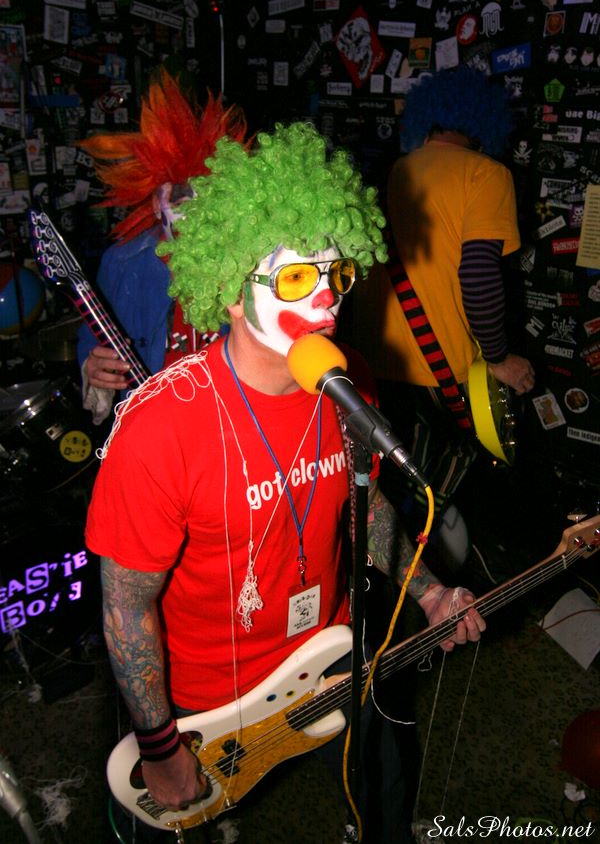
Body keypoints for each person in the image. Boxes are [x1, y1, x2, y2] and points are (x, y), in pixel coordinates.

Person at [85, 122, 486, 843]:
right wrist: (161, 746)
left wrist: (429, 591)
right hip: (206, 704)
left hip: (330, 658)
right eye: (298, 278)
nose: (326, 300)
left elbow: (366, 509)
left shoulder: (347, 386)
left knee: (384, 785)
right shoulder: (161, 427)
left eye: (337, 274)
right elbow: (125, 605)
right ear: (231, 291)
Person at [351, 66, 535, 536]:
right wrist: (498, 357)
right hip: (445, 373)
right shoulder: (486, 174)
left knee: (385, 487)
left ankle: (385, 569)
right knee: (441, 485)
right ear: (484, 122)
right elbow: (478, 275)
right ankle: (423, 571)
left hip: (374, 365)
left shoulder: (388, 171)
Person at [76, 68, 247, 424]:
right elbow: (92, 340)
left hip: (228, 425)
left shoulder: (249, 259)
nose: (197, 215)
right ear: (157, 203)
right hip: (152, 425)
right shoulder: (123, 262)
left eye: (209, 199)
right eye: (182, 201)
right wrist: (92, 367)